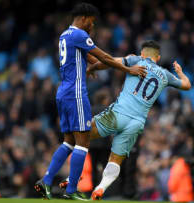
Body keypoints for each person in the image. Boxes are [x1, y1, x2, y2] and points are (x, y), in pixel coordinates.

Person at [34, 3, 146, 201]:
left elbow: (85, 62)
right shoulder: (79, 35)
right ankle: (71, 190)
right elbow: (103, 56)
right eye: (92, 23)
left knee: (68, 141)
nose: (92, 28)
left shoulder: (64, 35)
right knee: (83, 142)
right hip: (76, 94)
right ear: (84, 18)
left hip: (63, 92)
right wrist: (129, 70)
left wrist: (92, 68)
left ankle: (46, 180)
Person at [85, 40, 191, 200]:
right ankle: (101, 187)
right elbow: (186, 85)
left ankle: (65, 180)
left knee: (80, 134)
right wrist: (180, 72)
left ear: (142, 54)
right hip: (137, 123)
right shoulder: (165, 75)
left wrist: (92, 67)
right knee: (116, 158)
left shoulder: (136, 60)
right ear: (158, 57)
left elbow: (111, 62)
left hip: (119, 113)